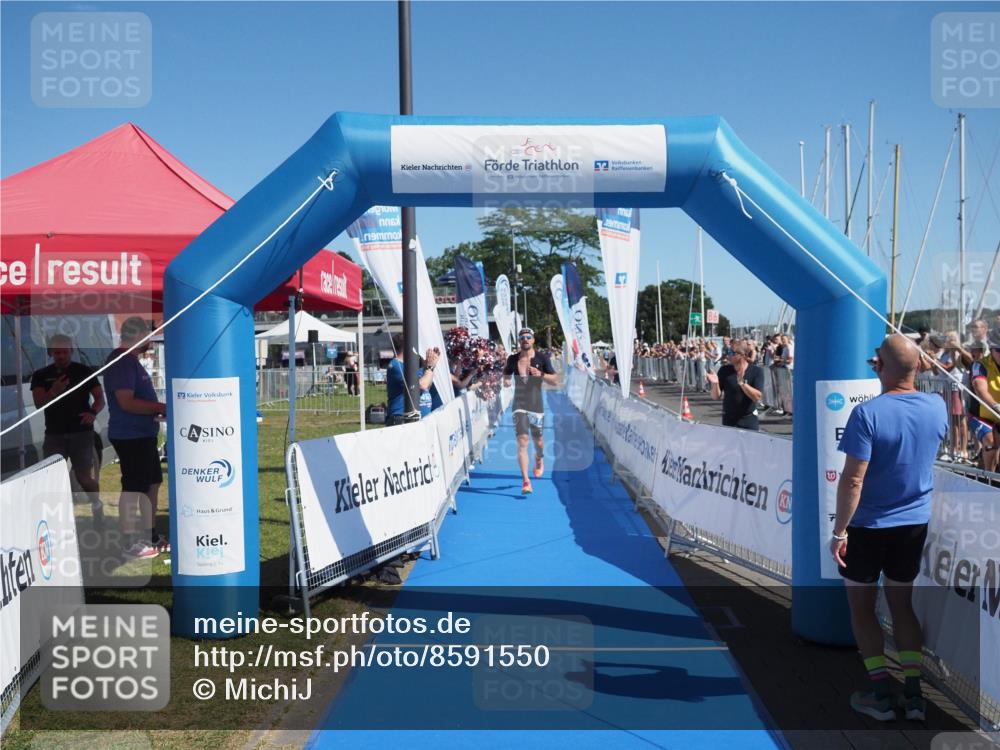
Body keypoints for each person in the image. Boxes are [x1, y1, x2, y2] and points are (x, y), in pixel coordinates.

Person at [831, 334, 949, 722]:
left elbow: (853, 480)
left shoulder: (867, 413)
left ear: (879, 366)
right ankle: (913, 695)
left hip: (868, 525)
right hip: (912, 523)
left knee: (862, 609)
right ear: (920, 366)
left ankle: (881, 694)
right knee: (902, 605)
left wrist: (839, 532)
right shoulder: (937, 406)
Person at [104, 317, 168, 559]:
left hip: (143, 434)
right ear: (139, 334)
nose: (151, 340)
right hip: (130, 436)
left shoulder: (130, 361)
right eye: (149, 335)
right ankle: (129, 542)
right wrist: (160, 407)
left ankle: (150, 536)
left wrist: (156, 410)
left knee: (152, 484)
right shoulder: (121, 361)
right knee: (134, 488)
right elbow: (126, 402)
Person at [30, 334, 106, 529]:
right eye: (57, 353)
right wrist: (54, 390)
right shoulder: (40, 375)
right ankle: (58, 519)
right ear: (50, 353)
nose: (61, 356)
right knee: (52, 477)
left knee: (83, 478)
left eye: (65, 352)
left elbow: (100, 398)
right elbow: (39, 404)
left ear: (71, 351)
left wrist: (92, 413)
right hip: (54, 434)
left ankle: (97, 504)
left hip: (81, 432)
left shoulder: (83, 371)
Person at [503, 327, 558, 495]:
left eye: (528, 337)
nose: (525, 340)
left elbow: (555, 380)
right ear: (519, 341)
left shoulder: (542, 358)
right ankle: (526, 481)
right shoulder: (512, 359)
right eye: (522, 338)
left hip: (536, 404)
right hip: (519, 403)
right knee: (522, 440)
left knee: (538, 441)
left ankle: (539, 458)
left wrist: (540, 374)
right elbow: (506, 375)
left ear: (533, 340)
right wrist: (506, 381)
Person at [705, 342, 764, 430]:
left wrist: (742, 383)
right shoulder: (724, 370)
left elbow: (757, 397)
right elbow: (715, 397)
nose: (728, 355)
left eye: (732, 353)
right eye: (728, 352)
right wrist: (715, 383)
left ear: (743, 355)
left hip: (748, 419)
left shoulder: (756, 371)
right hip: (729, 420)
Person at [385, 332, 440, 426]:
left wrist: (430, 366)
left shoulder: (412, 366)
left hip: (417, 420)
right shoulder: (396, 365)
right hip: (402, 420)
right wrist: (429, 367)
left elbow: (427, 385)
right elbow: (422, 385)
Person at [970, 329, 1000, 472]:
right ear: (991, 349)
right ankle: (988, 479)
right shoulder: (980, 365)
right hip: (982, 416)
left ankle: (985, 461)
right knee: (991, 442)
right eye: (999, 350)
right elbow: (980, 389)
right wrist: (995, 406)